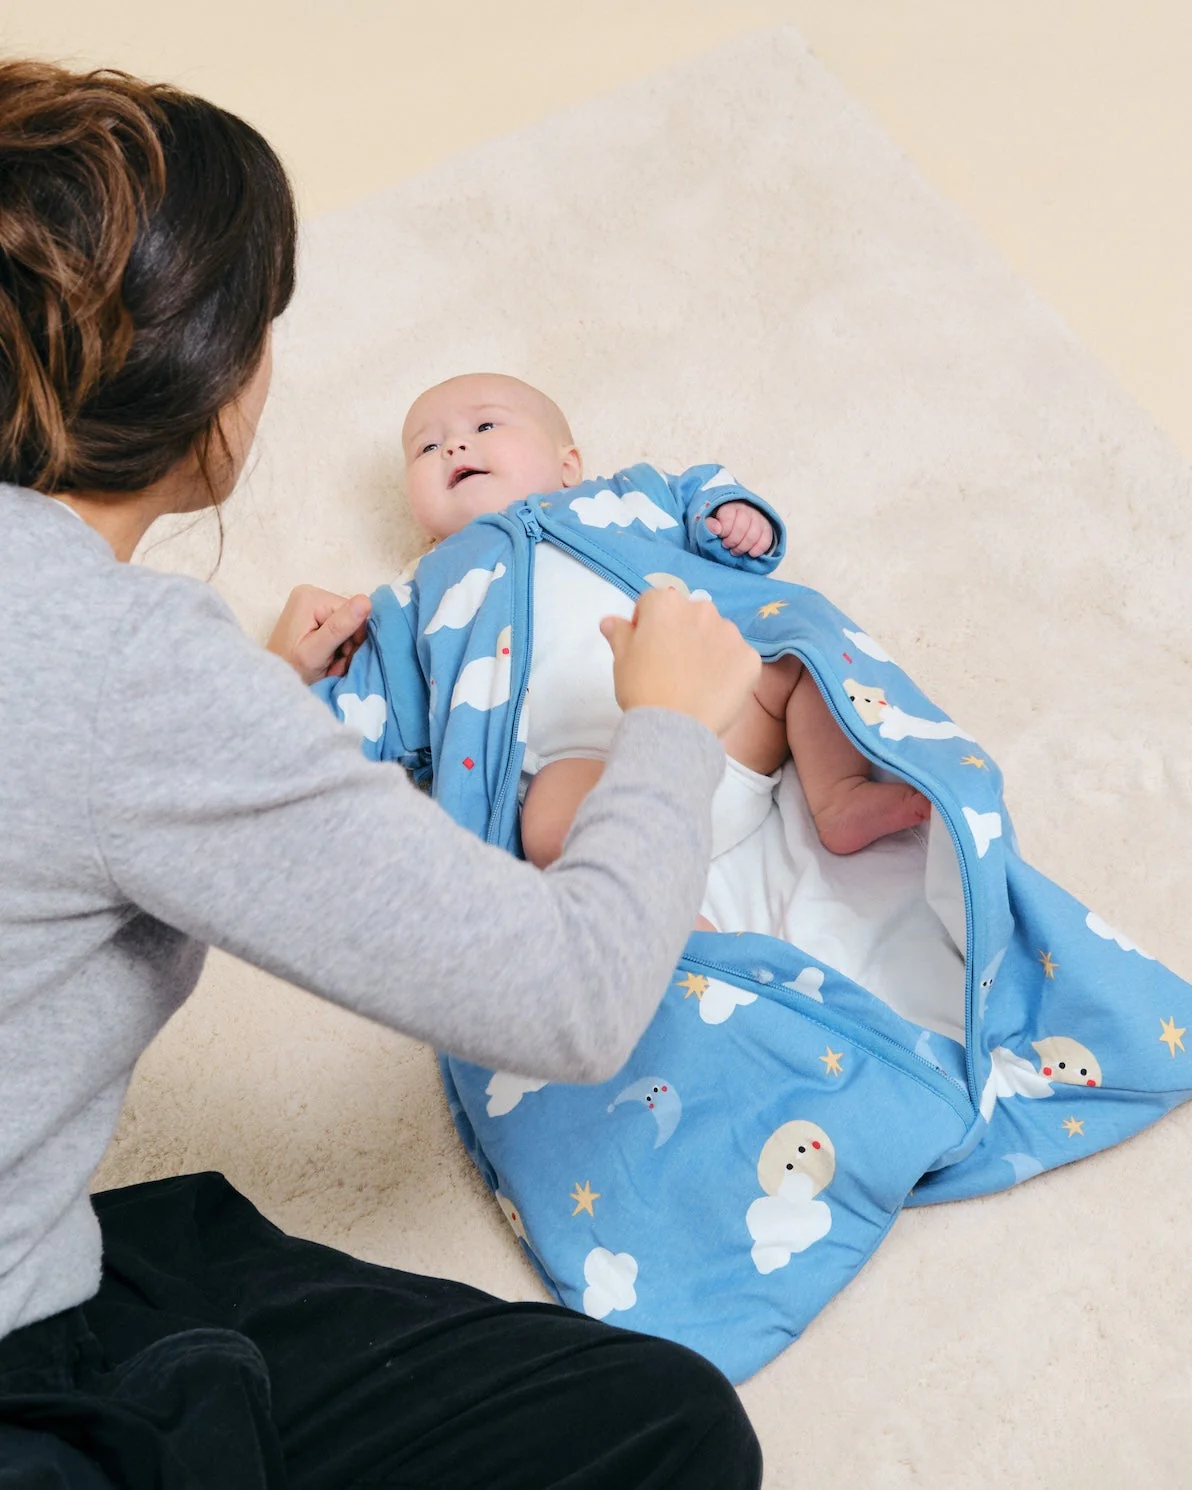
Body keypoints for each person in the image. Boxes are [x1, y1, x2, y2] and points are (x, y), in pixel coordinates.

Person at [0, 62, 765, 1489]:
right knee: (670, 1425)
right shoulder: (130, 666)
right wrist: (667, 726)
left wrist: (258, 696)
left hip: (66, 1243)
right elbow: (570, 992)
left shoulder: (127, 674)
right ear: (217, 376)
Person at [397, 372, 931, 890]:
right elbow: (381, 696)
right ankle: (661, 920)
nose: (453, 448)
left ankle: (836, 794)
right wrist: (333, 661)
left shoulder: (622, 497)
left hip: (726, 717)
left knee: (801, 658)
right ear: (422, 521)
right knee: (545, 825)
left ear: (569, 466)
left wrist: (730, 517)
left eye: (485, 427)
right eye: (427, 448)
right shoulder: (425, 587)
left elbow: (695, 491)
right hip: (598, 773)